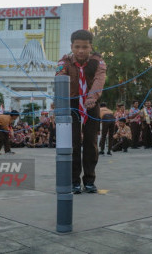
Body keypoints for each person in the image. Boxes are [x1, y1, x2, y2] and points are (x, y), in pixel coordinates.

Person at [55, 29, 107, 194]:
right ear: (71, 46)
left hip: (92, 104)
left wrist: (92, 97)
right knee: (73, 143)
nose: (81, 51)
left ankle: (90, 180)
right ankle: (74, 181)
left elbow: (100, 79)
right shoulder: (64, 62)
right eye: (77, 47)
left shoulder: (98, 62)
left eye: (85, 47)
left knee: (91, 143)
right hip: (72, 104)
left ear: (91, 46)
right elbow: (59, 78)